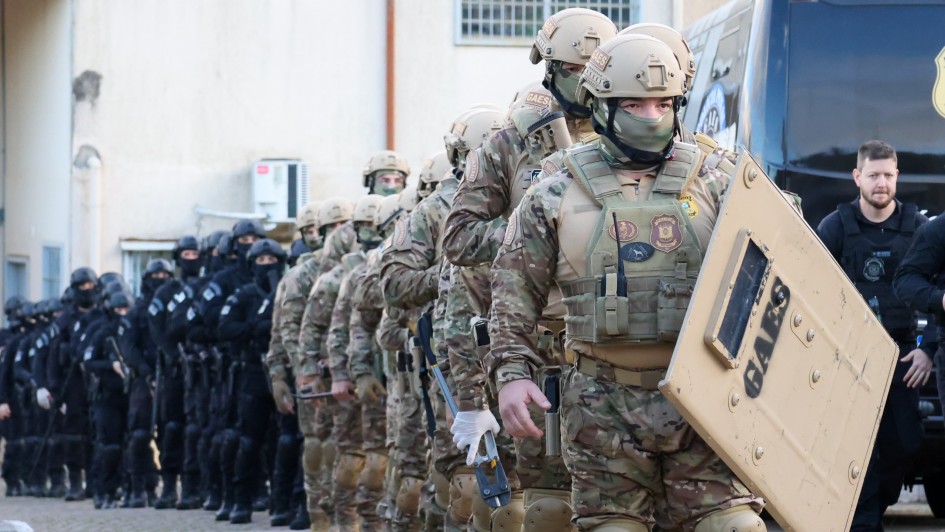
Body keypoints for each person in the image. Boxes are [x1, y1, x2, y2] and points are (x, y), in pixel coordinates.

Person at [487, 34, 765, 530]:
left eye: (663, 103)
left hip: (702, 401)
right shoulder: (552, 192)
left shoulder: (721, 181)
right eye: (634, 103)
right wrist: (511, 376)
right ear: (601, 107)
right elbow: (514, 297)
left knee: (736, 527)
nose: (651, 116)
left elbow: (776, 280)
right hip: (601, 403)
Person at [816, 140, 932, 530]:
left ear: (897, 176)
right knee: (853, 446)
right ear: (857, 178)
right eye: (873, 175)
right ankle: (863, 522)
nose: (881, 183)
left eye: (887, 175)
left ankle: (871, 510)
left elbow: (942, 293)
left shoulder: (919, 228)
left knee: (905, 444)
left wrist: (927, 350)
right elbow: (811, 287)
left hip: (903, 356)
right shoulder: (835, 228)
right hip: (848, 357)